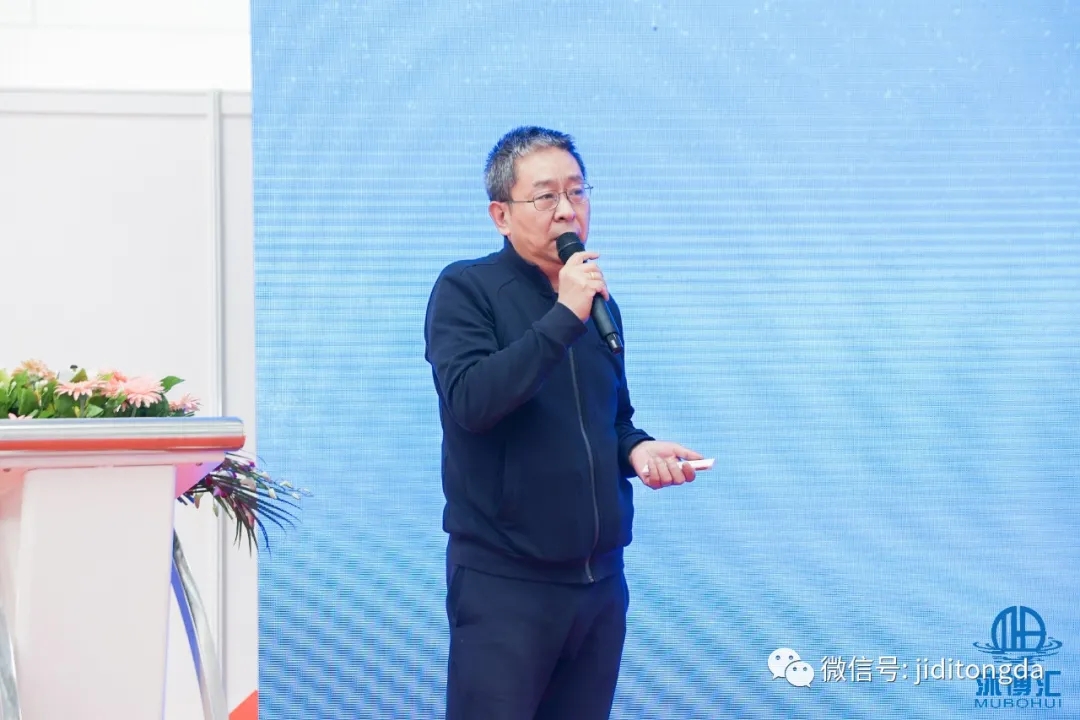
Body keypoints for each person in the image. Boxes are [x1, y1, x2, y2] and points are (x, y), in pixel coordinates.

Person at [424, 126, 703, 720]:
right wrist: (564, 314)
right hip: (505, 585)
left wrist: (638, 450)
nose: (567, 210)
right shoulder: (467, 289)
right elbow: (472, 401)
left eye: (577, 192)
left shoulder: (599, 303)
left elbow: (613, 418)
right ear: (501, 214)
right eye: (545, 196)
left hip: (600, 586)